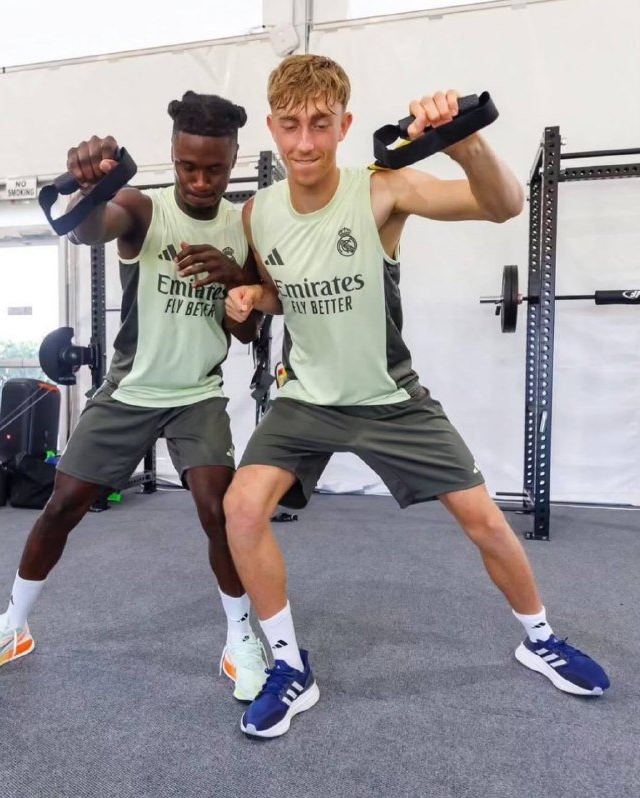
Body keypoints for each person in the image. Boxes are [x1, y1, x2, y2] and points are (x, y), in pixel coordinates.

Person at [220, 55, 610, 738]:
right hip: (306, 398)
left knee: (484, 520)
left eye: (320, 124)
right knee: (241, 507)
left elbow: (503, 206)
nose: (305, 142)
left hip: (388, 396)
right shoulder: (257, 213)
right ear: (271, 128)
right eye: (290, 125)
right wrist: (256, 295)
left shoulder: (382, 190)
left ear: (344, 125)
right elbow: (285, 291)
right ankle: (289, 665)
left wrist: (461, 139)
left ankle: (539, 638)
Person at [0, 91, 270, 702]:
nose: (201, 181)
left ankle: (240, 638)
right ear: (172, 155)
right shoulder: (144, 209)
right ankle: (14, 625)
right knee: (63, 505)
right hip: (130, 390)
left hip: (197, 395)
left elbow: (249, 331)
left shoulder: (244, 226)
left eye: (215, 169)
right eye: (187, 166)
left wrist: (235, 281)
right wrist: (89, 188)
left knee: (218, 511)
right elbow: (89, 229)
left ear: (234, 160)